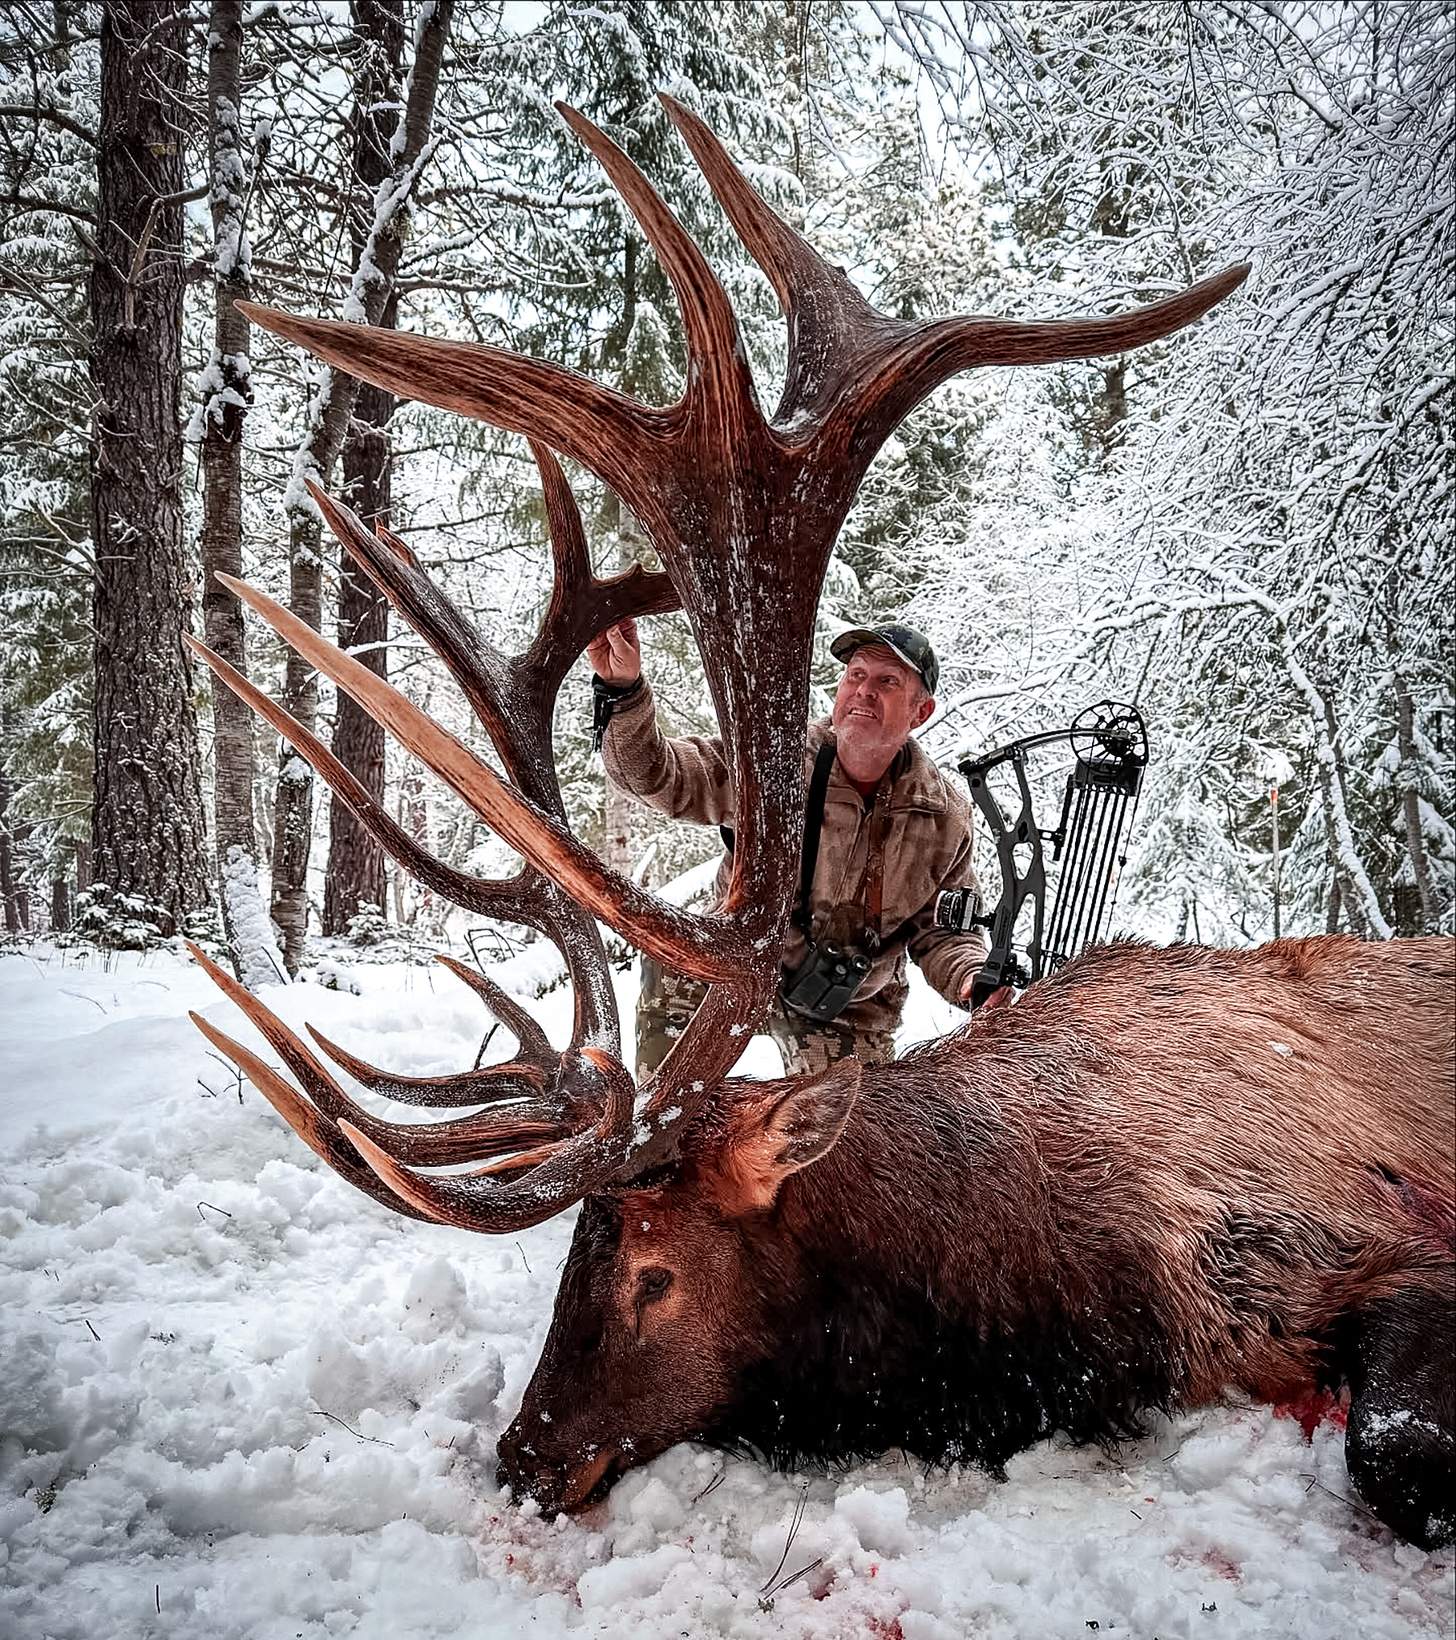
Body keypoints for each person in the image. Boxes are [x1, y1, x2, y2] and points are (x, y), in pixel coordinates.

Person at [588, 618, 988, 1077]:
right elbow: (659, 775)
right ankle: (664, 1128)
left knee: (848, 1137)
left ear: (921, 712)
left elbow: (945, 932)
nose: (863, 690)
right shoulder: (772, 759)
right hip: (738, 965)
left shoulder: (943, 817)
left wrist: (971, 980)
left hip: (847, 1006)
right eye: (855, 675)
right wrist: (623, 690)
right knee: (675, 979)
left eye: (887, 682)